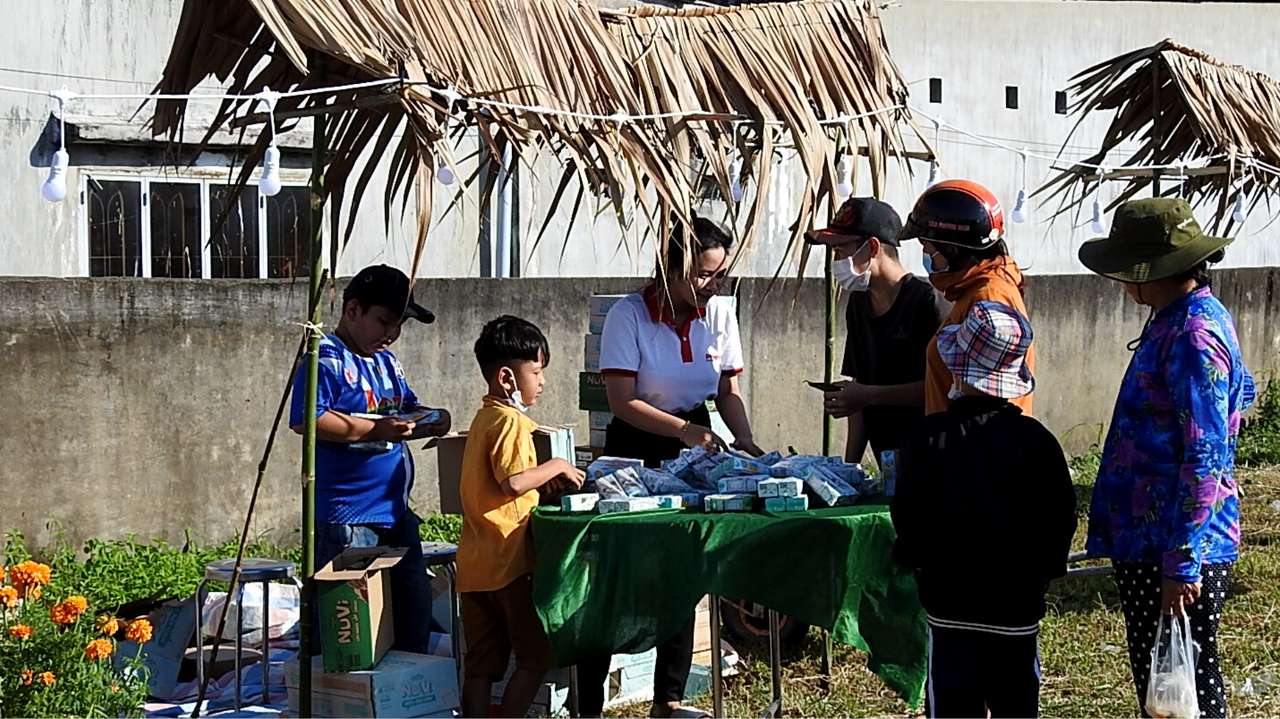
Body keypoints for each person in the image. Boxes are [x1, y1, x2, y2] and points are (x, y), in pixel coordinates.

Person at [578, 214, 763, 718]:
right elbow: (621, 401)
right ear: (670, 268)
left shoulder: (720, 312)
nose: (712, 284)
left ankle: (669, 699)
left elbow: (727, 389)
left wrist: (744, 438)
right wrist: (683, 432)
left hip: (695, 444)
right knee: (617, 573)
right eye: (702, 274)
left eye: (720, 274)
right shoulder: (629, 315)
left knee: (685, 567)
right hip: (636, 446)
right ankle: (588, 704)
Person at [1078, 198, 1255, 719]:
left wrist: (1181, 563)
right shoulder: (1178, 318)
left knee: (1184, 689)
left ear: (1151, 272)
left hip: (1173, 546)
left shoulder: (1193, 334)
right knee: (1163, 686)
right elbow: (1237, 397)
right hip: (1152, 539)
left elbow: (1205, 453)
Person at [892, 301, 1076, 719]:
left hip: (948, 605)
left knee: (951, 705)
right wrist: (1045, 572)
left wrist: (915, 561)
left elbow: (909, 515)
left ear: (957, 370)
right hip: (1016, 607)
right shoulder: (1038, 442)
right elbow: (1059, 518)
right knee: (1017, 705)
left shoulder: (925, 437)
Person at [288, 264, 451, 654]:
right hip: (348, 518)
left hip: (395, 513)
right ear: (352, 310)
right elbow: (308, 418)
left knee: (412, 608)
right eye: (384, 321)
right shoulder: (325, 357)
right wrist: (377, 430)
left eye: (398, 326)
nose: (391, 333)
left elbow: (405, 407)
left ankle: (406, 682)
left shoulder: (387, 362)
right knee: (348, 630)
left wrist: (432, 418)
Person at [457, 315, 586, 719]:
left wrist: (539, 486)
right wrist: (558, 466)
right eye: (536, 371)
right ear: (507, 379)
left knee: (481, 665)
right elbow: (512, 482)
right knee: (535, 658)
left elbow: (500, 487)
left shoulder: (483, 418)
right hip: (509, 563)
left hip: (474, 567)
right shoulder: (511, 421)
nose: (542, 381)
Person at [805, 197, 951, 463]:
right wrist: (849, 468)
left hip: (933, 458)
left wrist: (869, 396)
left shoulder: (928, 301)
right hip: (888, 461)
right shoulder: (858, 302)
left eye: (840, 250)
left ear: (872, 247)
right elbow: (859, 390)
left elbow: (945, 389)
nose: (836, 260)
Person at [897, 180, 1035, 416]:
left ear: (953, 249)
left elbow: (994, 401)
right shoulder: (974, 290)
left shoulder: (989, 299)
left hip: (969, 439)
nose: (926, 255)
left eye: (927, 247)